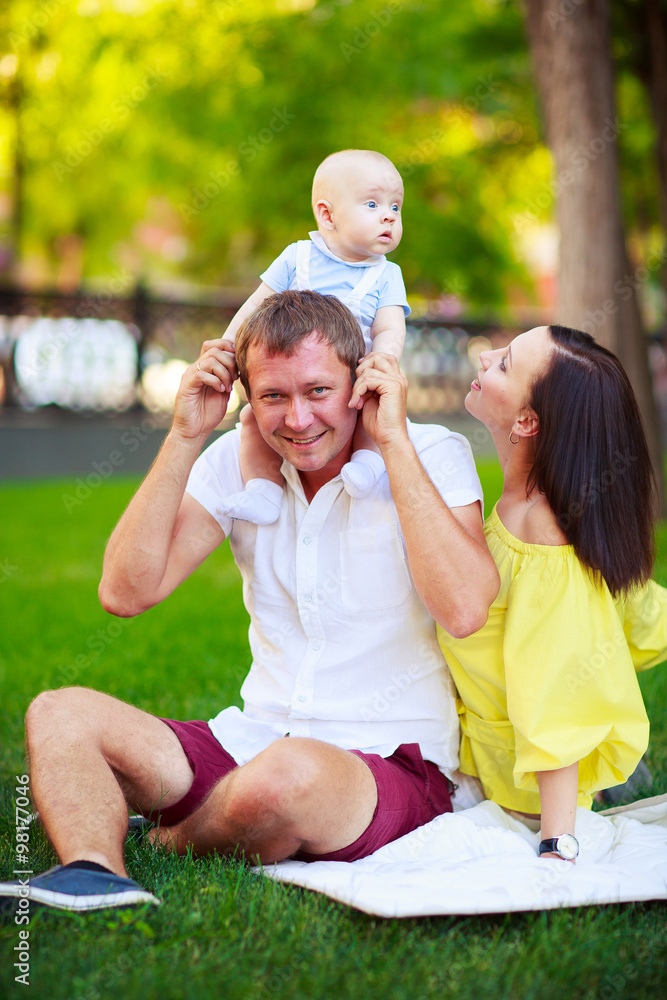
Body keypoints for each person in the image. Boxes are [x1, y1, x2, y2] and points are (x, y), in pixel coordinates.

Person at [0, 290, 499, 912]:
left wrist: (391, 440)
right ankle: (94, 874)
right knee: (59, 714)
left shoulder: (428, 454)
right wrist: (185, 435)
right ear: (247, 395)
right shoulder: (236, 466)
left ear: (360, 381)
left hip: (388, 764)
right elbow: (125, 592)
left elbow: (466, 608)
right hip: (251, 741)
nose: (296, 418)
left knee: (289, 776)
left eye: (318, 391)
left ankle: (168, 840)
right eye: (273, 396)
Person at [437, 324, 667, 863]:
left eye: (504, 364)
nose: (486, 355)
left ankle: (617, 785)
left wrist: (556, 844)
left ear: (526, 421)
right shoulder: (530, 508)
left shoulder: (543, 534)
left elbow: (558, 695)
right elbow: (637, 614)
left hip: (532, 793)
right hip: (502, 762)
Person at [218, 148, 409, 526]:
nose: (389, 215)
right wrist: (226, 349)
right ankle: (262, 489)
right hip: (293, 376)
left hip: (354, 378)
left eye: (396, 207)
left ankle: (367, 466)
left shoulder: (386, 274)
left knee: (372, 413)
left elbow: (389, 327)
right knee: (252, 420)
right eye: (372, 204)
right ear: (327, 215)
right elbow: (255, 307)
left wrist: (383, 360)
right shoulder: (298, 258)